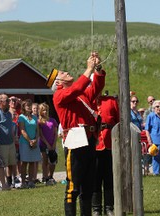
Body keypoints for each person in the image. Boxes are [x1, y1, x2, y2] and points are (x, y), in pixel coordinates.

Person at [51, 52, 105, 216]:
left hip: (88, 140)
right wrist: (88, 69)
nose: (66, 72)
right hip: (74, 142)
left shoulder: (78, 93)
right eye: (62, 73)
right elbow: (78, 88)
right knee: (73, 186)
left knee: (88, 185)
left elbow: (96, 87)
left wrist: (98, 68)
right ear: (58, 83)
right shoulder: (59, 95)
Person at [92, 94, 119, 216]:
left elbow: (119, 122)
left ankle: (109, 207)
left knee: (109, 177)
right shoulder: (87, 101)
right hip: (94, 146)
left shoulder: (110, 101)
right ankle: (96, 208)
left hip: (109, 145)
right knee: (95, 178)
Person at [0, 94, 17, 189]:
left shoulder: (9, 114)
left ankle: (9, 182)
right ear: (0, 102)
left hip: (10, 143)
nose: (9, 102)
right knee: (1, 165)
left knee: (11, 163)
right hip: (1, 144)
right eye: (7, 101)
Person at [18, 99, 41, 188]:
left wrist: (35, 140)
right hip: (25, 142)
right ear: (23, 107)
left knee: (32, 162)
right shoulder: (21, 117)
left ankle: (31, 181)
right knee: (24, 162)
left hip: (34, 142)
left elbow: (37, 130)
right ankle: (23, 182)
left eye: (30, 105)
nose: (29, 107)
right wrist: (30, 141)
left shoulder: (35, 117)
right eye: (27, 105)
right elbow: (22, 130)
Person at [38, 102, 58, 185]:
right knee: (45, 161)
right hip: (43, 144)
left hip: (52, 143)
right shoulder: (39, 122)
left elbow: (56, 133)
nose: (45, 112)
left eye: (46, 110)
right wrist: (47, 144)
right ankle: (45, 177)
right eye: (43, 110)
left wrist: (53, 144)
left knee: (53, 161)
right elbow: (41, 135)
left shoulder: (52, 121)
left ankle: (51, 176)